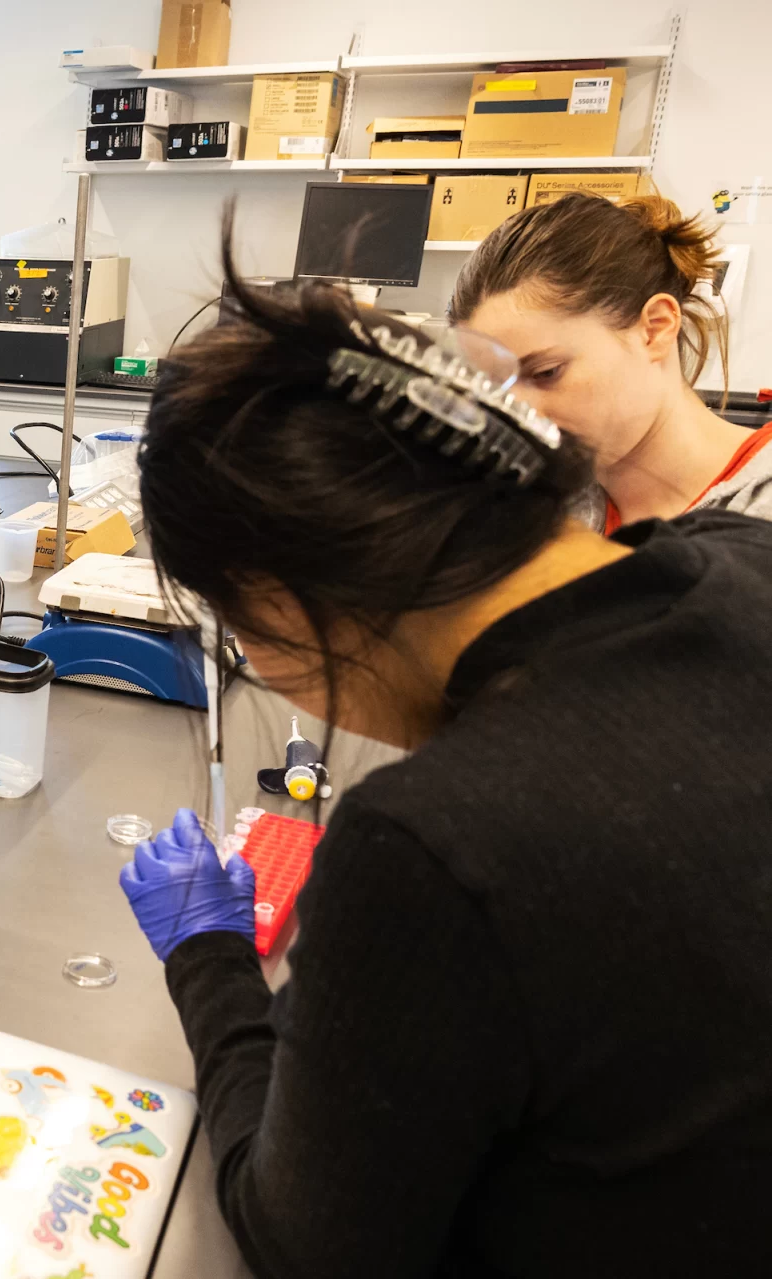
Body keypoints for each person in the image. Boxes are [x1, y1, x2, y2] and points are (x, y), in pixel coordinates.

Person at [115, 227, 772, 1275]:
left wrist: (210, 964)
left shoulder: (430, 845)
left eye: (238, 628)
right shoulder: (742, 559)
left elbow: (301, 1240)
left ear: (279, 600)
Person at [451, 191, 771, 531]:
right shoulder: (541, 508)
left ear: (655, 328)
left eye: (547, 373)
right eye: (497, 389)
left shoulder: (757, 512)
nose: (521, 418)